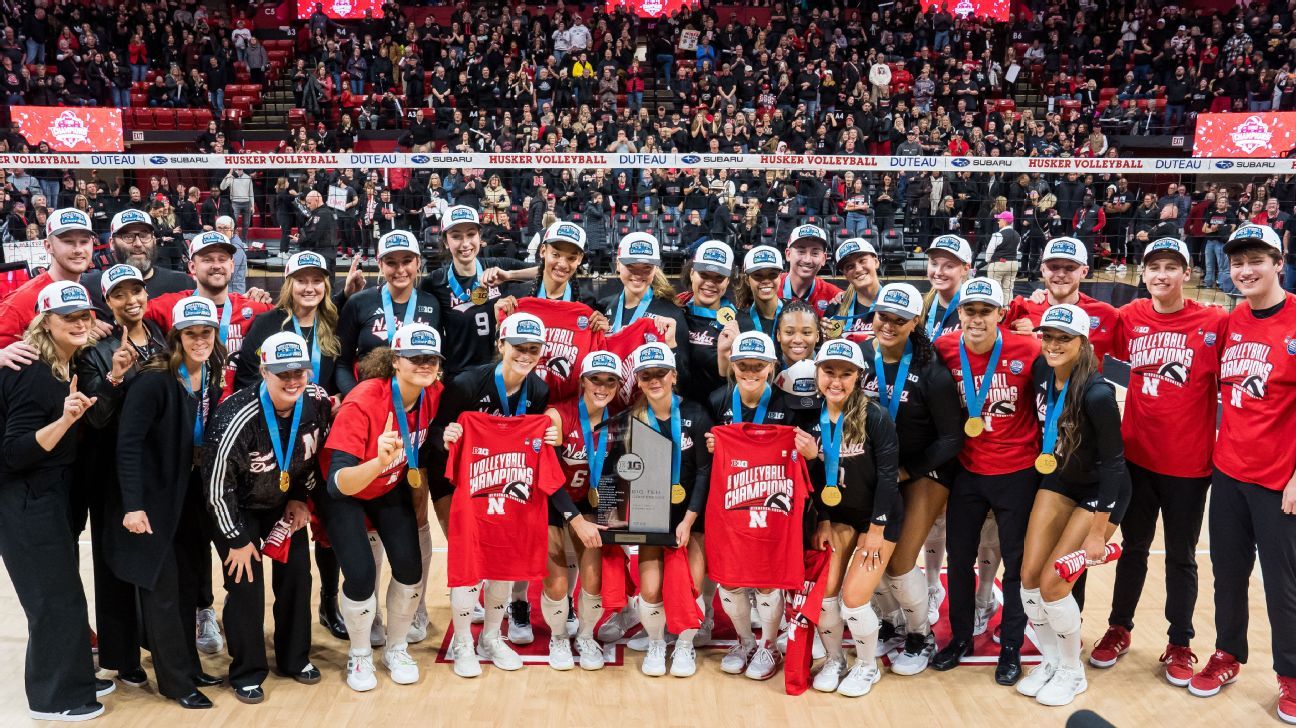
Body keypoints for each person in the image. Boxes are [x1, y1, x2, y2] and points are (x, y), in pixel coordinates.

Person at [1091, 238, 1226, 684]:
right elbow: (1084, 324)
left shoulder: (1214, 322)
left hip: (1190, 465)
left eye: (1171, 267)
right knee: (1133, 549)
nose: (1161, 275)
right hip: (1137, 459)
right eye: (1154, 268)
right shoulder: (1130, 318)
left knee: (1182, 557)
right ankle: (1118, 628)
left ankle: (1181, 643)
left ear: (1187, 274)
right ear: (1142, 275)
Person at [1190, 224, 1296, 724]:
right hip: (1228, 472)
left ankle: (1292, 676)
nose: (1245, 270)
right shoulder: (1232, 320)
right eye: (1236, 262)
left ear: (1279, 261)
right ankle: (1228, 653)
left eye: (1256, 259)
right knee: (1227, 576)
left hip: (1280, 481)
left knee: (1284, 585)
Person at [0, 281, 114, 721]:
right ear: (45, 322)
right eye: (70, 318)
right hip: (25, 499)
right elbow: (14, 452)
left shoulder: (62, 366)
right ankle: (54, 699)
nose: (81, 324)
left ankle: (75, 679)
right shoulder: (33, 374)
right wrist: (65, 421)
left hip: (47, 494)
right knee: (52, 601)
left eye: (85, 316)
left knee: (65, 595)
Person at [112, 295, 228, 709]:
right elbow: (127, 446)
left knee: (186, 588)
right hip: (152, 501)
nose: (200, 340)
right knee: (161, 592)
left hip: (188, 499)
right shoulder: (153, 380)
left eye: (206, 332)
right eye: (191, 333)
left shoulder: (210, 373)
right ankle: (176, 683)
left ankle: (189, 666)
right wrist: (132, 505)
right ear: (177, 336)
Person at [204, 331, 332, 703]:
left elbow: (311, 459)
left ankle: (294, 658)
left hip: (281, 503)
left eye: (299, 372)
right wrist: (236, 539)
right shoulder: (236, 415)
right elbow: (216, 489)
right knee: (246, 585)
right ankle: (246, 670)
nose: (292, 381)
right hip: (236, 509)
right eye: (282, 374)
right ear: (263, 371)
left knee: (296, 578)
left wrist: (299, 499)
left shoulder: (316, 404)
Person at [1016, 302, 1131, 707]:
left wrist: (1099, 531)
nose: (1052, 345)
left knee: (1053, 583)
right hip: (1060, 478)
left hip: (1102, 490)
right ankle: (1049, 661)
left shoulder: (1098, 393)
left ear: (1082, 344)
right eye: (1047, 336)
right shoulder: (1041, 372)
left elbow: (1116, 465)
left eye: (1063, 339)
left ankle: (1071, 670)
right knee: (1028, 575)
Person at [321, 323, 445, 692]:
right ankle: (359, 655)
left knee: (411, 569)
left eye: (432, 359)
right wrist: (378, 462)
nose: (424, 365)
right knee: (360, 576)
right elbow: (337, 483)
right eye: (415, 358)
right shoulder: (363, 402)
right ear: (395, 361)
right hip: (348, 492)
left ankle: (396, 647)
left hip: (387, 486)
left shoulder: (433, 392)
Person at [931, 277, 1042, 686]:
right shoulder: (944, 350)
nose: (976, 319)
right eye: (969, 311)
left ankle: (1010, 645)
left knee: (1016, 564)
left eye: (985, 311)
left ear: (1001, 314)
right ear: (959, 313)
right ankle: (960, 637)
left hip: (1018, 473)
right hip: (968, 472)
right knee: (958, 560)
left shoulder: (1028, 349)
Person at [855, 283, 965, 677]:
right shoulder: (861, 357)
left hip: (923, 470)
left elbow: (952, 437)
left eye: (900, 320)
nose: (888, 325)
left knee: (899, 561)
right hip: (878, 469)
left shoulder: (930, 369)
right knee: (871, 556)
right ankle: (893, 622)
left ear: (915, 322)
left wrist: (908, 470)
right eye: (884, 316)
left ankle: (921, 635)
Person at [436, 312, 552, 652]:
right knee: (469, 559)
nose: (525, 355)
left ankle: (489, 637)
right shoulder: (467, 384)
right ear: (501, 344)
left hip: (508, 481)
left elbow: (532, 443)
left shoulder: (539, 390)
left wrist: (550, 434)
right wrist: (446, 435)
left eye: (533, 349)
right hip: (460, 481)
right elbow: (432, 432)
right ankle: (461, 641)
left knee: (502, 560)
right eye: (518, 347)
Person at [76, 264, 168, 691]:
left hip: (158, 466)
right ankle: (119, 655)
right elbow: (96, 416)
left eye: (137, 291)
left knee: (154, 560)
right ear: (107, 302)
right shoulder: (95, 348)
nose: (131, 300)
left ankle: (156, 641)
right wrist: (113, 375)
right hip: (113, 470)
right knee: (114, 565)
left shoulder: (163, 337)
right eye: (120, 294)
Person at [708, 331, 816, 679]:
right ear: (733, 366)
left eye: (758, 365)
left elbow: (809, 462)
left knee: (769, 581)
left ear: (772, 367)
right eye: (743, 365)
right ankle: (744, 641)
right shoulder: (717, 401)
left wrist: (810, 455)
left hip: (774, 509)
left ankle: (768, 645)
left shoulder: (792, 407)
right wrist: (711, 448)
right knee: (730, 582)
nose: (750, 372)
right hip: (731, 504)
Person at [804, 337, 902, 697]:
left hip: (879, 518)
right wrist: (825, 520)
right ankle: (834, 659)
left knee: (854, 599)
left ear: (858, 377)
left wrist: (876, 529)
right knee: (825, 594)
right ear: (817, 371)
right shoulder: (810, 417)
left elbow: (889, 477)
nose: (836, 380)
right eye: (828, 371)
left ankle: (866, 665)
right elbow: (814, 481)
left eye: (846, 373)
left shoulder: (875, 416)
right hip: (838, 517)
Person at [627, 342, 713, 678]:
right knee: (649, 589)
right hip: (652, 516)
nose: (653, 380)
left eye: (660, 373)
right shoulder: (633, 419)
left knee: (689, 586)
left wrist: (690, 519)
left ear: (673, 375)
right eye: (646, 375)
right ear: (638, 379)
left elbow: (706, 471)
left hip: (692, 516)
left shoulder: (697, 413)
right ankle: (656, 642)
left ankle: (685, 645)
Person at [542, 352, 622, 670]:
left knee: (594, 578)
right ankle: (559, 636)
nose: (602, 387)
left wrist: (613, 512)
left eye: (609, 381)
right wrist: (574, 520)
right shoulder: (557, 416)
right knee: (557, 583)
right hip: (554, 500)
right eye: (595, 380)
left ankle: (586, 635)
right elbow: (547, 477)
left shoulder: (620, 420)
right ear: (582, 382)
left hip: (592, 502)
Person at [418, 206, 533, 377]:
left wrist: (509, 275)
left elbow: (546, 271)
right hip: (458, 377)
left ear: (480, 237)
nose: (465, 243)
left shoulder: (497, 266)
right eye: (456, 236)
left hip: (499, 373)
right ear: (445, 242)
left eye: (471, 234)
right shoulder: (434, 281)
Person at [335, 230, 440, 396]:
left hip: (415, 403)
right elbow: (342, 364)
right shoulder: (359, 303)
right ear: (380, 264)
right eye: (391, 263)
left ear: (418, 262)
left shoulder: (432, 304)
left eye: (407, 261)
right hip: (369, 400)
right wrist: (357, 399)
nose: (400, 270)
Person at [1005, 237, 1119, 366]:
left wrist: (1037, 341)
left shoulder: (1106, 314)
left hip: (1083, 386)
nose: (1061, 274)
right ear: (1043, 270)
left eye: (1070, 268)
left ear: (1084, 272)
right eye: (1054, 267)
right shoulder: (1024, 309)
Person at [0, 208, 96, 360]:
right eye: (68, 242)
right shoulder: (20, 301)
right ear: (48, 246)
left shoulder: (82, 291)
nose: (78, 249)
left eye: (84, 241)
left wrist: (93, 327)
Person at [602, 232, 690, 379]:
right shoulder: (604, 306)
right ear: (618, 264)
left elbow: (684, 380)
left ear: (655, 269)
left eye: (646, 268)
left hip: (650, 398)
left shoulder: (672, 314)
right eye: (631, 266)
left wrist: (672, 346)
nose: (638, 274)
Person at [81, 209, 193, 312]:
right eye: (128, 236)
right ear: (112, 243)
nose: (138, 244)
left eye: (144, 235)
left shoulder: (183, 284)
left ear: (154, 240)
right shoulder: (89, 287)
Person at [679, 240, 740, 403]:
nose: (710, 284)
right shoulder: (675, 311)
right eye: (703, 275)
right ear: (692, 273)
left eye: (719, 278)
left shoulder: (739, 323)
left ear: (728, 281)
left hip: (717, 412)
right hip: (675, 411)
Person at [826, 238, 882, 343]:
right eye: (850, 266)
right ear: (845, 275)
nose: (858, 269)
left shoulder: (893, 304)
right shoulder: (836, 307)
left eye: (862, 261)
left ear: (876, 262)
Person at [779, 224, 843, 315]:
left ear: (824, 259)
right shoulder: (771, 287)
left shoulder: (834, 296)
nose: (807, 260)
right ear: (788, 254)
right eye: (801, 252)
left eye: (815, 253)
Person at [291, 191, 338, 271]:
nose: (308, 206)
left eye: (309, 203)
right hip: (326, 253)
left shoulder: (321, 214)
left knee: (324, 281)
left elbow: (314, 235)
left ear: (316, 201)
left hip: (323, 255)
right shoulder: (326, 212)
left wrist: (300, 240)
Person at [986, 211, 1022, 304]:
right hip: (1013, 264)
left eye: (999, 220)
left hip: (998, 263)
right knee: (1008, 290)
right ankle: (1008, 310)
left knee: (994, 289)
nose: (998, 222)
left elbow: (990, 251)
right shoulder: (1018, 235)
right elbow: (1016, 250)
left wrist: (989, 261)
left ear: (1004, 221)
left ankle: (995, 311)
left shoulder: (997, 235)